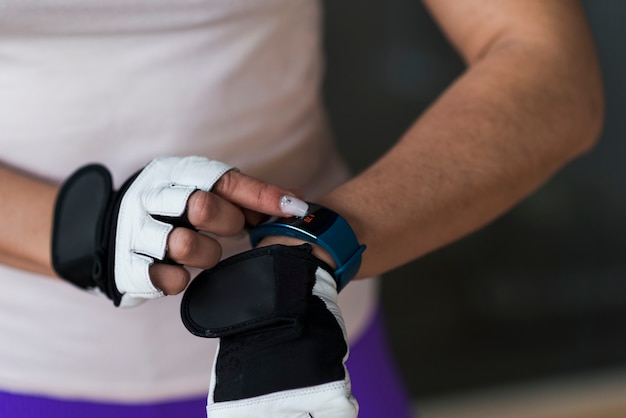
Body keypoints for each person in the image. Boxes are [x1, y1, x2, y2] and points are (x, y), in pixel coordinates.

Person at [0, 0, 603, 417]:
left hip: (313, 350)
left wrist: (309, 253)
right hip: (24, 369)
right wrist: (84, 230)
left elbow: (546, 63)